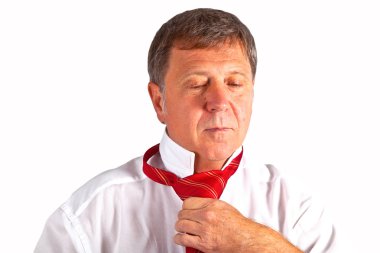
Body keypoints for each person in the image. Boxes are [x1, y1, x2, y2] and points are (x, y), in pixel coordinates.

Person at [34, 8, 335, 253]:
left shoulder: (297, 208)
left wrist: (252, 244)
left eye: (234, 84)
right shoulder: (89, 217)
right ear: (159, 101)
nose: (219, 102)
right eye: (197, 83)